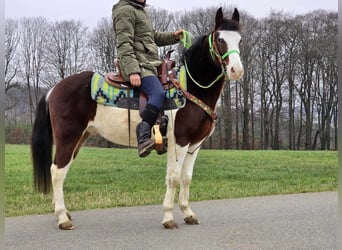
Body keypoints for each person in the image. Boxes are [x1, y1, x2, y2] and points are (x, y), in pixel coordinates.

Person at [112, 0, 183, 157]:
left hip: (150, 63)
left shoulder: (140, 11)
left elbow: (153, 37)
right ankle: (143, 134)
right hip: (138, 64)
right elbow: (124, 44)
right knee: (157, 93)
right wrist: (133, 71)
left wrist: (174, 36)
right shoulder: (125, 11)